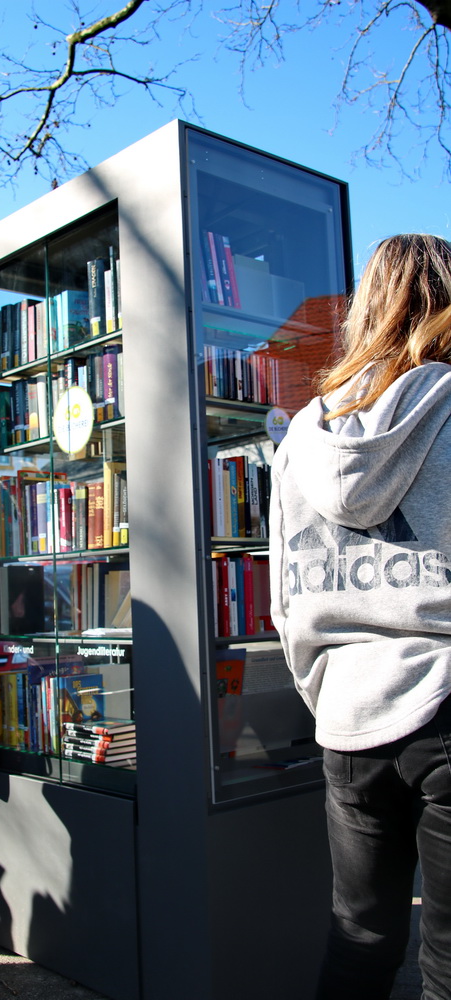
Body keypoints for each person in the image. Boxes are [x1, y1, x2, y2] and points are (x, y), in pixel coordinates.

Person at [269, 233, 451, 1000]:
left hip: (347, 718)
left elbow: (284, 597)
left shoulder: (299, 437)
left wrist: (329, 691)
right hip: (445, 698)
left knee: (359, 938)